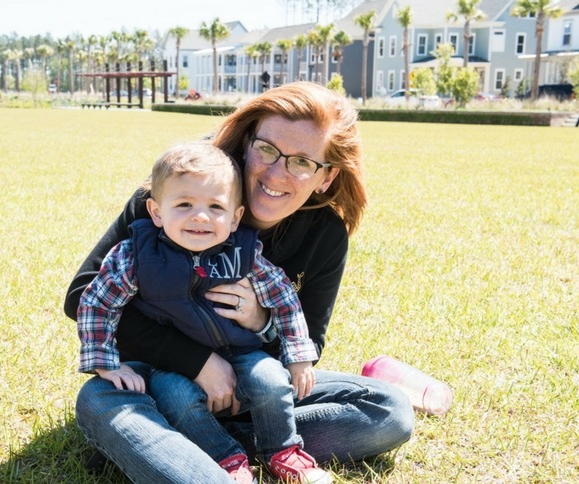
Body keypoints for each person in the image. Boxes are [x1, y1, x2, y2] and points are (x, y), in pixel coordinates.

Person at [65, 82, 414, 484]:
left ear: (325, 177)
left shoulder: (325, 235)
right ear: (248, 143)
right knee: (99, 400)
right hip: (156, 382)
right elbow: (82, 297)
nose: (276, 172)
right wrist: (197, 364)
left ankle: (192, 448)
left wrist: (260, 320)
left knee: (387, 409)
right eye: (267, 149)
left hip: (254, 388)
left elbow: (308, 343)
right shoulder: (183, 186)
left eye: (302, 162)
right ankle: (195, 457)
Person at [77, 142, 332, 483]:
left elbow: (284, 297)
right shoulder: (137, 255)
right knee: (176, 397)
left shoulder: (244, 255)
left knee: (272, 379)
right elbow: (96, 302)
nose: (200, 217)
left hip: (243, 354)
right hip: (170, 368)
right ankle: (224, 457)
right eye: (184, 205)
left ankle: (282, 450)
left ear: (235, 216)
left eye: (215, 206)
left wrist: (298, 354)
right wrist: (106, 362)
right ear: (155, 211)